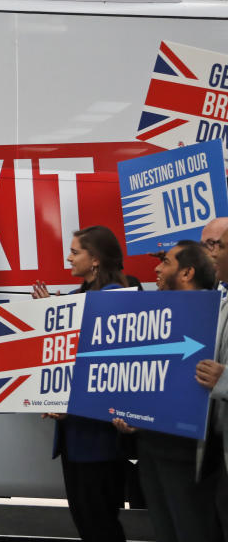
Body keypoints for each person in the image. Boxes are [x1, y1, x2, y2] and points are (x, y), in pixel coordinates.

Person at [112, 241, 220, 542]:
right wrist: (131, 419)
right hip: (151, 449)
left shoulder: (214, 315)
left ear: (186, 272)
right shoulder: (152, 316)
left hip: (189, 456)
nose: (157, 269)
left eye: (166, 262)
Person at [31, 225, 130, 542]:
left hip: (99, 441)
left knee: (100, 525)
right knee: (87, 523)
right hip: (74, 439)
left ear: (96, 260)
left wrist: (69, 408)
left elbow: (111, 373)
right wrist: (49, 317)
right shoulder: (75, 298)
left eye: (75, 252)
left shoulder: (117, 300)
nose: (69, 257)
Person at [196, 225, 228, 540]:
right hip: (211, 450)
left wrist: (225, 379)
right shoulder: (214, 299)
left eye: (214, 244)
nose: (210, 253)